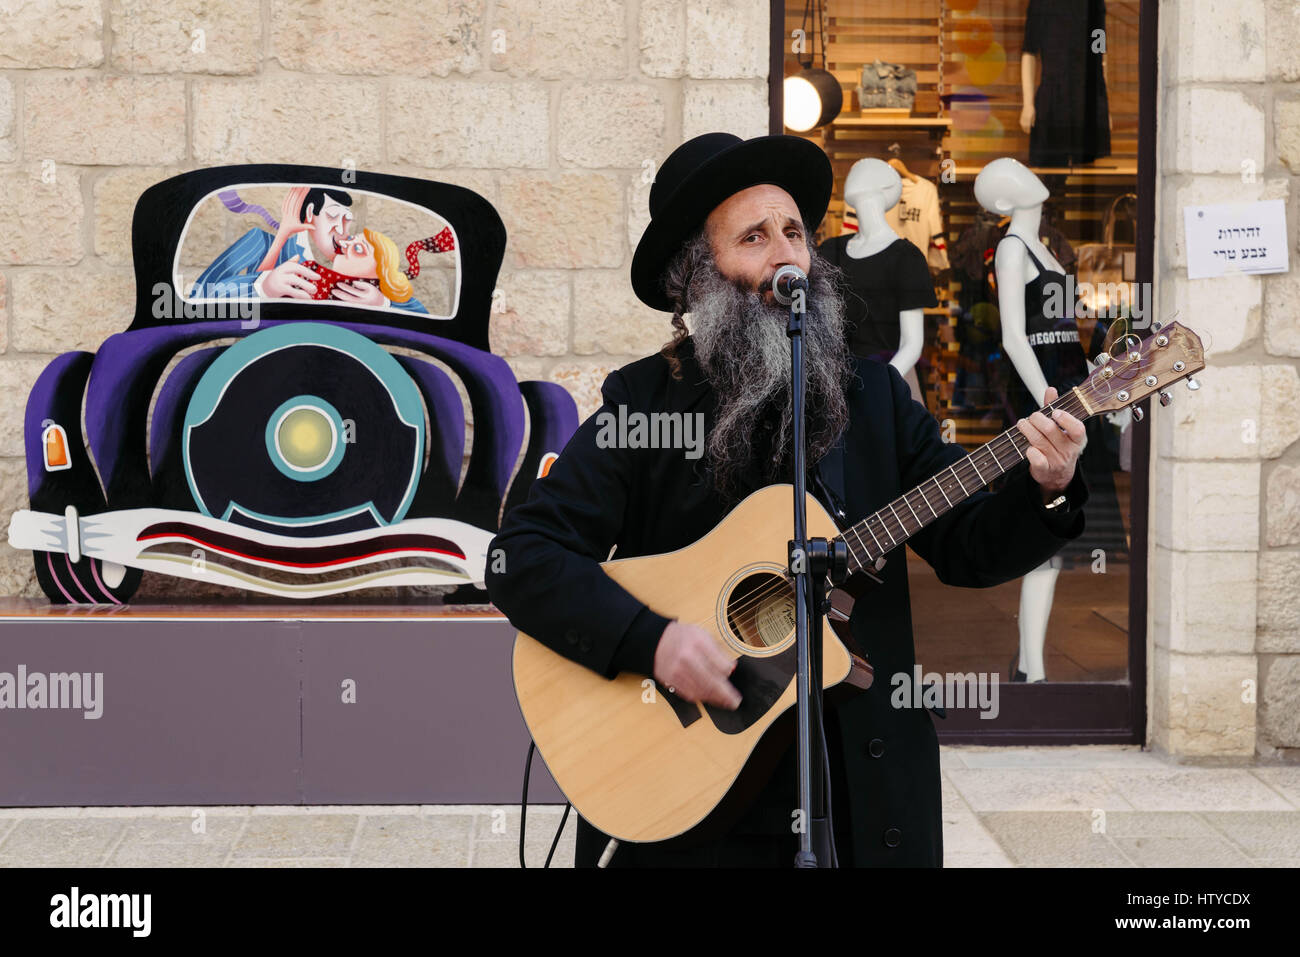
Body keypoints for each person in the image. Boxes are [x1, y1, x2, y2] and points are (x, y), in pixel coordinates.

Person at [485, 132, 1090, 868]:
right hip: (695, 802)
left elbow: (969, 546)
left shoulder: (873, 399)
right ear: (697, 274)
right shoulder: (646, 401)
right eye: (753, 236)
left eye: (795, 231)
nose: (786, 254)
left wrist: (1047, 490)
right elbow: (522, 554)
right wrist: (650, 640)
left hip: (862, 794)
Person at [191, 186, 425, 313]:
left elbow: (419, 312)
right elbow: (199, 296)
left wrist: (382, 304)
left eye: (347, 220)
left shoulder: (361, 266)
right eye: (333, 216)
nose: (341, 229)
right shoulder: (260, 242)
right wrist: (263, 287)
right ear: (311, 212)